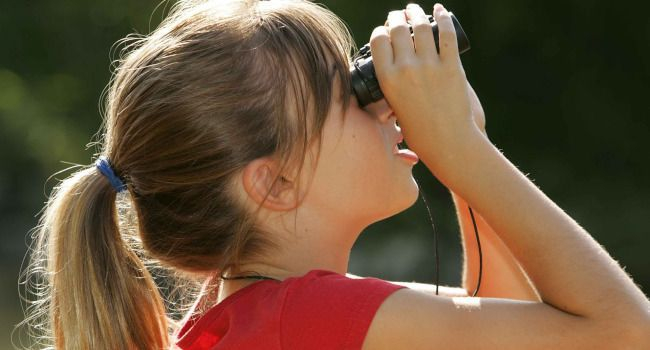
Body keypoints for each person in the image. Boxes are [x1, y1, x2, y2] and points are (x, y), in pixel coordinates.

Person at [21, 0, 650, 349]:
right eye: (346, 93)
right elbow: (623, 333)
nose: (381, 102)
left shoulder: (253, 316)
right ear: (274, 183)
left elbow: (515, 332)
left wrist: (466, 148)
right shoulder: (306, 316)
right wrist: (461, 151)